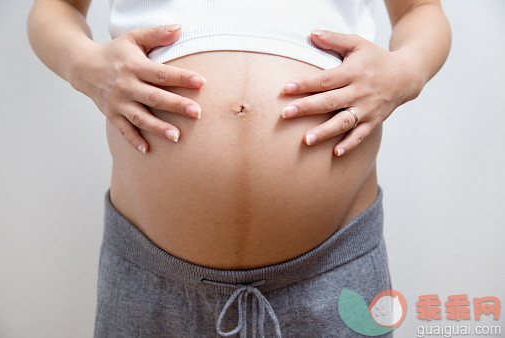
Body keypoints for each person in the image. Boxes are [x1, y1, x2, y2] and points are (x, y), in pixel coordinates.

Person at [27, 0, 451, 336]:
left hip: (333, 271)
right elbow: (55, 7)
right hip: (151, 279)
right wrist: (83, 65)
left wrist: (406, 71)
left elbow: (420, 10)